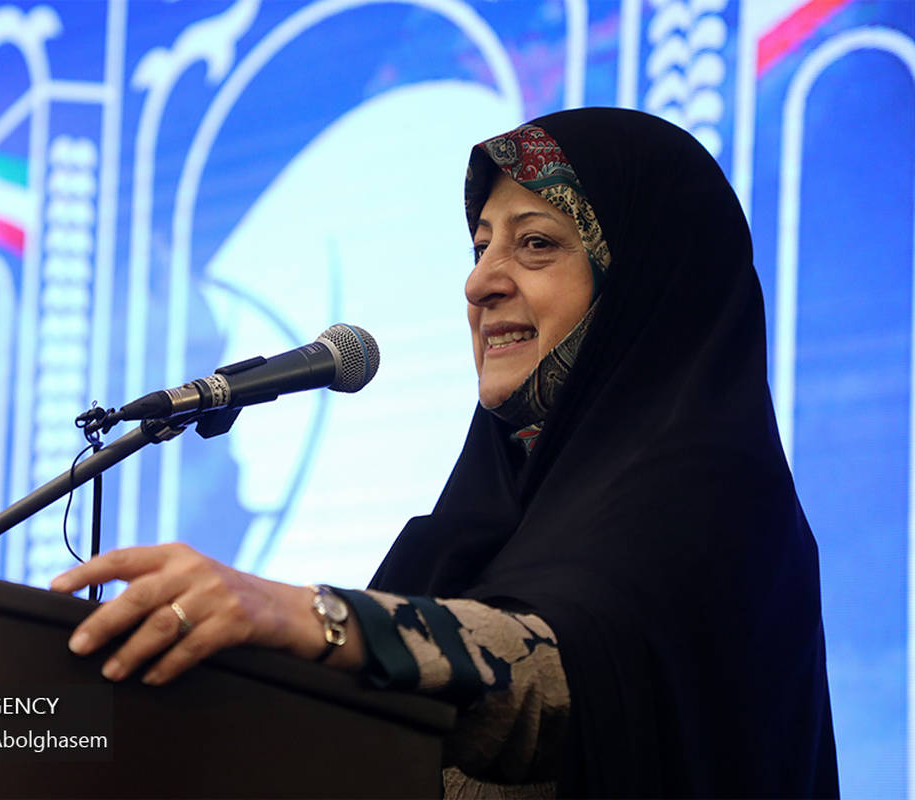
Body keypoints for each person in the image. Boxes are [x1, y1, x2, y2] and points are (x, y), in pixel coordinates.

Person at [50, 108, 839, 798]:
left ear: (644, 282)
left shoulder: (720, 504)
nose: (479, 283)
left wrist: (303, 617)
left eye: (536, 244)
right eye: (480, 246)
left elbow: (559, 680)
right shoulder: (472, 531)